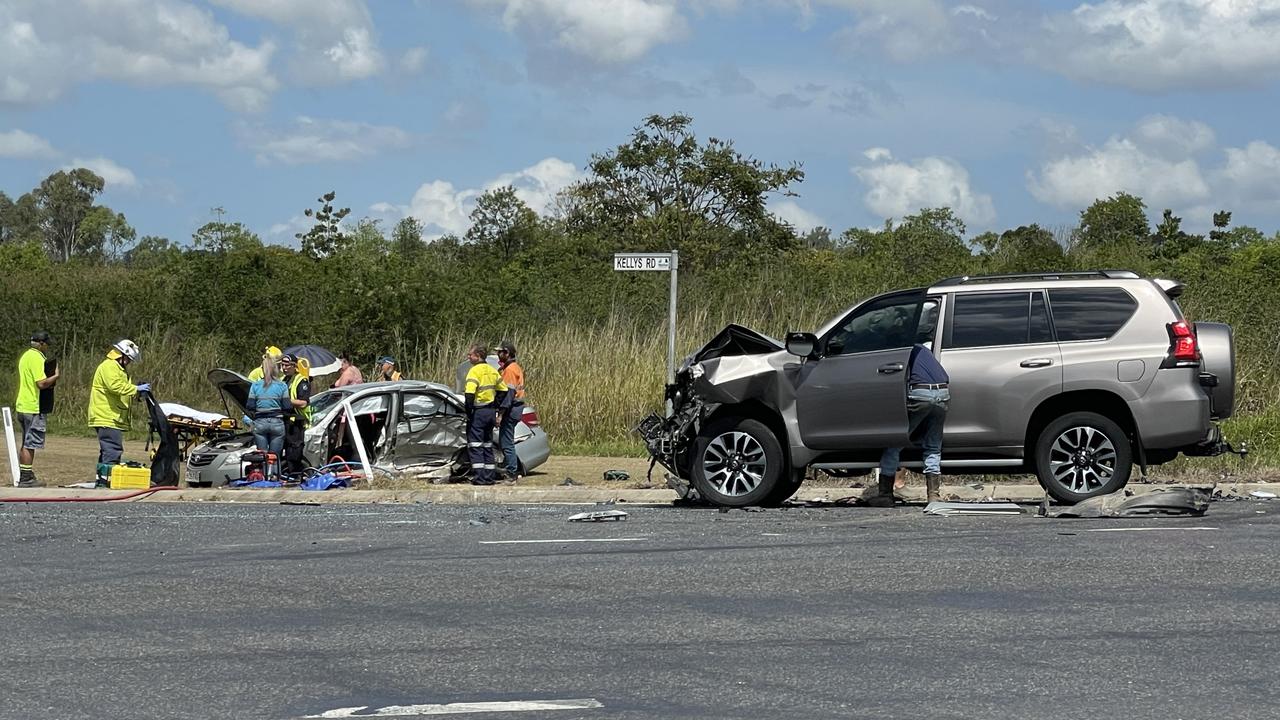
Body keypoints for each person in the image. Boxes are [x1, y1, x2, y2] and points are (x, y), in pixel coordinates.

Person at [867, 343, 950, 507]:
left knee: (895, 442)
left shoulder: (901, 349)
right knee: (933, 447)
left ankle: (885, 494)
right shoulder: (923, 350)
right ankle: (933, 496)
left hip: (920, 392)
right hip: (943, 393)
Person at [88, 339, 148, 487]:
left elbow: (123, 389)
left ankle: (102, 480)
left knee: (107, 450)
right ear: (122, 355)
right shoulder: (110, 366)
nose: (129, 362)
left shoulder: (118, 368)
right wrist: (136, 389)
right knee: (112, 450)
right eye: (129, 359)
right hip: (106, 416)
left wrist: (136, 394)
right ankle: (105, 483)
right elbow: (115, 386)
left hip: (112, 416)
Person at [14, 330, 59, 487]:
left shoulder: (25, 356)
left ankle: (26, 472)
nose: (47, 348)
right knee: (30, 443)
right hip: (33, 406)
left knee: (26, 441)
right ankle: (26, 477)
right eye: (46, 345)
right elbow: (41, 383)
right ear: (41, 344)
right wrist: (55, 376)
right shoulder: (36, 358)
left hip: (23, 404)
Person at [463, 343, 507, 486]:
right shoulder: (492, 370)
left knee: (475, 445)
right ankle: (489, 477)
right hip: (490, 412)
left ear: (478, 356)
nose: (468, 356)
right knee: (487, 445)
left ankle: (480, 478)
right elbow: (504, 390)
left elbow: (469, 394)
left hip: (479, 412)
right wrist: (496, 405)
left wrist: (468, 412)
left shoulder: (474, 371)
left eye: (471, 354)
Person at [243, 355, 290, 458]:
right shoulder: (282, 386)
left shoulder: (255, 386)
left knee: (262, 457)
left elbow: (250, 406)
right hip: (277, 423)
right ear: (276, 368)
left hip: (260, 423)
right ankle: (273, 473)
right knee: (274, 457)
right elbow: (287, 406)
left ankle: (263, 473)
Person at [495, 340, 526, 481]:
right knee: (505, 441)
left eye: (500, 352)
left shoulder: (510, 370)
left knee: (506, 443)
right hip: (516, 409)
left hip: (511, 410)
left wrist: (500, 414)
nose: (497, 354)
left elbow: (508, 394)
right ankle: (510, 468)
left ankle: (512, 472)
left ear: (506, 353)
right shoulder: (514, 367)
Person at [279, 352, 312, 475]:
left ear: (294, 366)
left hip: (296, 421)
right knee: (285, 452)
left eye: (288, 365)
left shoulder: (301, 380)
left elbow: (303, 403)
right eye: (283, 365)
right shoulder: (284, 380)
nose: (285, 368)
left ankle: (296, 476)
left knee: (294, 452)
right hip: (285, 420)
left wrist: (286, 401)